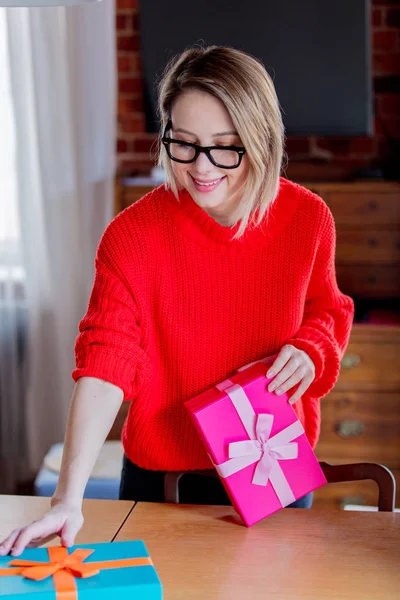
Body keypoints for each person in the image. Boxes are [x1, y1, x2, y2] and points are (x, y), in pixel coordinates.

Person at [0, 45, 354, 557]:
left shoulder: (308, 218)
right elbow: (105, 364)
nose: (201, 167)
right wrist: (66, 498)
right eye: (184, 144)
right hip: (162, 481)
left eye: (225, 147)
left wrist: (312, 347)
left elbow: (328, 309)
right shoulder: (132, 235)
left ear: (261, 140)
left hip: (271, 468)